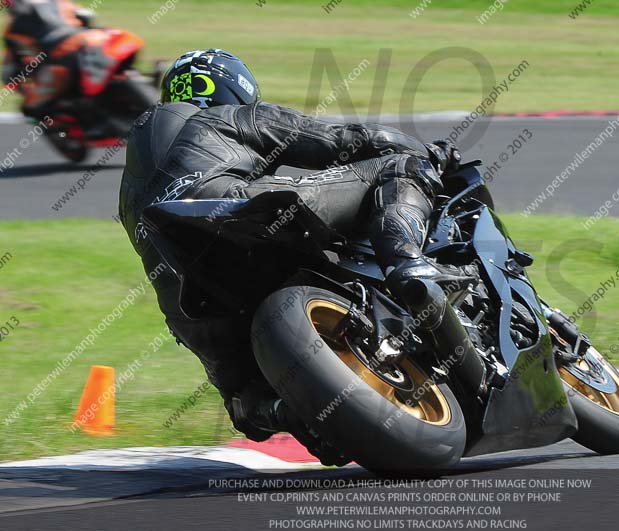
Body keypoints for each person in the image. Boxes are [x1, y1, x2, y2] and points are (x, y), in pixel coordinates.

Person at [118, 49, 467, 464]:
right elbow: (343, 141)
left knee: (244, 402)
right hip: (238, 212)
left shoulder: (128, 194)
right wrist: (430, 154)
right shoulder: (223, 118)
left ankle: (293, 414)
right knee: (399, 166)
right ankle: (406, 263)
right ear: (236, 89)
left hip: (190, 303)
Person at [2, 0, 95, 119]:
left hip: (69, 61)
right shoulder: (63, 5)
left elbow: (10, 73)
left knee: (34, 109)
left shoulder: (16, 27)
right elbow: (87, 17)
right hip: (87, 51)